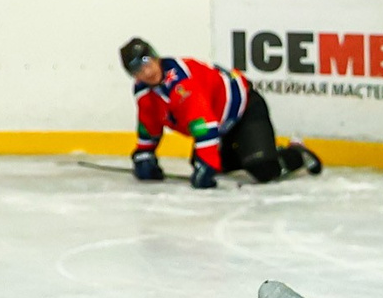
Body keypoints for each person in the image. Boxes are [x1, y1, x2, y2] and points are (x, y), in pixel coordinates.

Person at [119, 38, 320, 187]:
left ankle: (297, 152)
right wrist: (144, 153)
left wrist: (207, 163)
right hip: (220, 124)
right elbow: (149, 124)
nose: (146, 72)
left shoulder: (181, 82)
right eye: (137, 69)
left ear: (154, 56)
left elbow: (203, 123)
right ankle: (254, 149)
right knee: (211, 164)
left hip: (245, 110)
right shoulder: (143, 91)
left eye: (146, 61)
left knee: (262, 167)